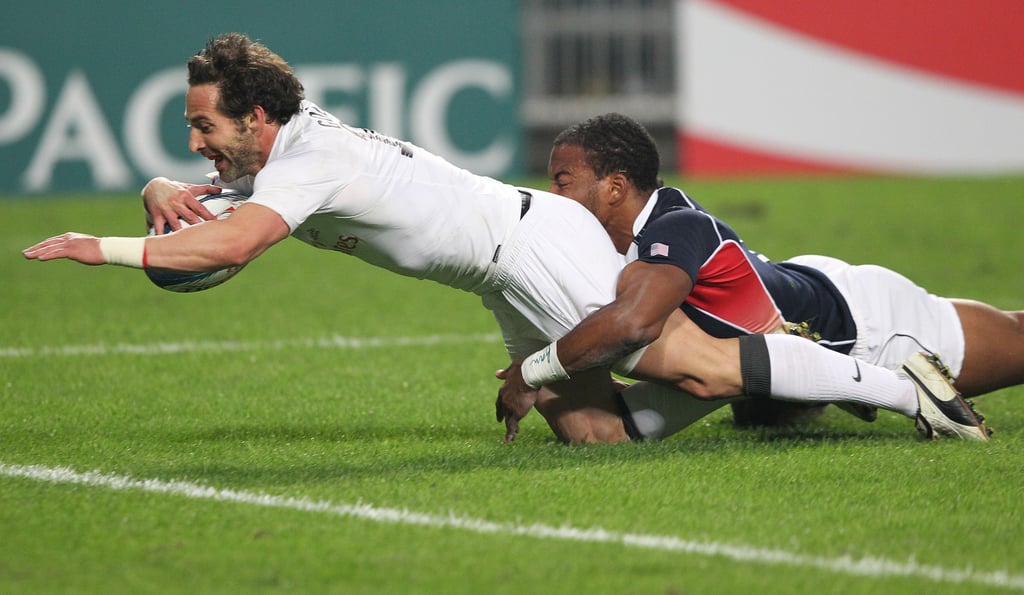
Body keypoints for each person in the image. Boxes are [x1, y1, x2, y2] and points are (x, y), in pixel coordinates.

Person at [21, 34, 981, 446]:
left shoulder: (306, 164)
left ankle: (905, 387)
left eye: (205, 124)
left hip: (533, 247)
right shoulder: (280, 154)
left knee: (702, 368)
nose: (195, 141)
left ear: (261, 115)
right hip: (496, 270)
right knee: (592, 436)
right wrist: (158, 186)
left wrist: (93, 246)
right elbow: (207, 197)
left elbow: (227, 247)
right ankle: (791, 388)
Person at [496, 112, 1022, 443]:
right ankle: (809, 399)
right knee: (757, 420)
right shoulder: (616, 241)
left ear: (614, 187)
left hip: (870, 324)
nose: (552, 197)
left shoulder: (675, 228)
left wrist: (535, 369)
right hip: (788, 309)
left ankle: (902, 391)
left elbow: (634, 325)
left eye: (563, 182)